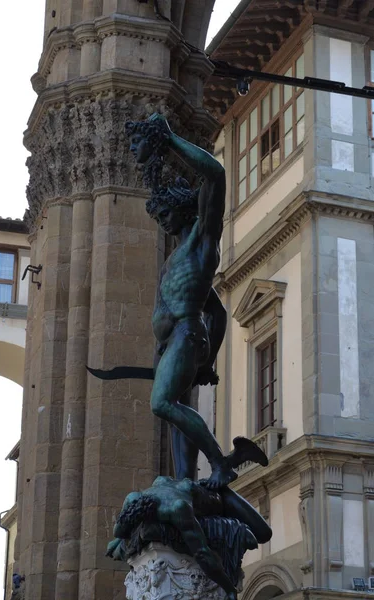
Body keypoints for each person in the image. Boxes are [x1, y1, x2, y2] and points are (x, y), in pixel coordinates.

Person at [126, 115, 267, 489]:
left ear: (184, 210)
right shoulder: (175, 258)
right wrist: (210, 359)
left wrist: (169, 138)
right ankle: (186, 479)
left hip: (186, 334)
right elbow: (218, 313)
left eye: (166, 214)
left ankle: (220, 463)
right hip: (175, 339)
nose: (163, 222)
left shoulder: (203, 243)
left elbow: (215, 175)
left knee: (162, 404)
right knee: (174, 411)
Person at [107, 476, 272, 600]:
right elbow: (119, 531)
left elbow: (202, 553)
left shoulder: (176, 508)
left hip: (218, 498)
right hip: (184, 490)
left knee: (263, 533)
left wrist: (229, 587)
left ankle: (225, 481)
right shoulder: (133, 498)